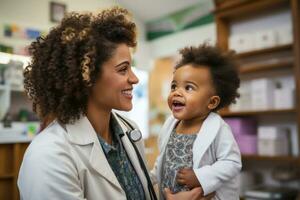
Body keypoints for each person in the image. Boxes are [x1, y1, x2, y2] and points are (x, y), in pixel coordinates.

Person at [17, 6, 207, 200]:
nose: (134, 79)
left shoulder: (129, 131)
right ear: (87, 76)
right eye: (123, 69)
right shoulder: (48, 156)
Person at [150, 44, 242, 200]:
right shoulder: (170, 124)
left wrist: (200, 177)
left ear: (211, 102)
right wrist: (149, 178)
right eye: (174, 86)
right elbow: (163, 160)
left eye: (189, 88)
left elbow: (232, 162)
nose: (177, 92)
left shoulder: (218, 128)